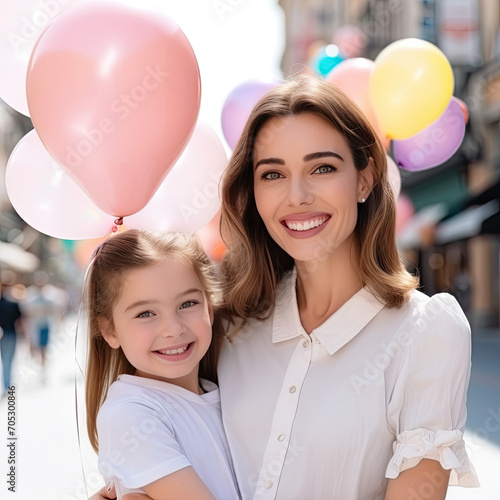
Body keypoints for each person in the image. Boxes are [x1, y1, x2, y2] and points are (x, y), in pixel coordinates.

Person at [92, 75, 478, 500]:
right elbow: (171, 431)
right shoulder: (228, 323)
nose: (297, 196)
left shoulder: (425, 334)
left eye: (323, 168)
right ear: (253, 191)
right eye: (273, 174)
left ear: (365, 179)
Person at [84, 230, 240, 500]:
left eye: (188, 303)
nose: (173, 328)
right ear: (109, 330)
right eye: (146, 313)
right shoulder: (130, 415)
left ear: (209, 308)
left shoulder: (224, 388)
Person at [0, 283, 23, 396]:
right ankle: (8, 385)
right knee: (9, 361)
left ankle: (7, 385)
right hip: (11, 334)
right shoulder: (14, 304)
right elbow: (20, 322)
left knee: (5, 361)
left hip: (4, 335)